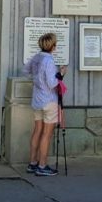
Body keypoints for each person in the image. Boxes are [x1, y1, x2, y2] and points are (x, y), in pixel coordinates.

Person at [23, 32, 66, 176]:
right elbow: (52, 83)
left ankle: (32, 163)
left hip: (37, 99)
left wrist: (36, 80)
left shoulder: (36, 58)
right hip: (49, 100)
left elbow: (25, 70)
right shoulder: (49, 61)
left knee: (37, 130)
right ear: (53, 46)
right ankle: (42, 165)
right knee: (47, 134)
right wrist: (61, 74)